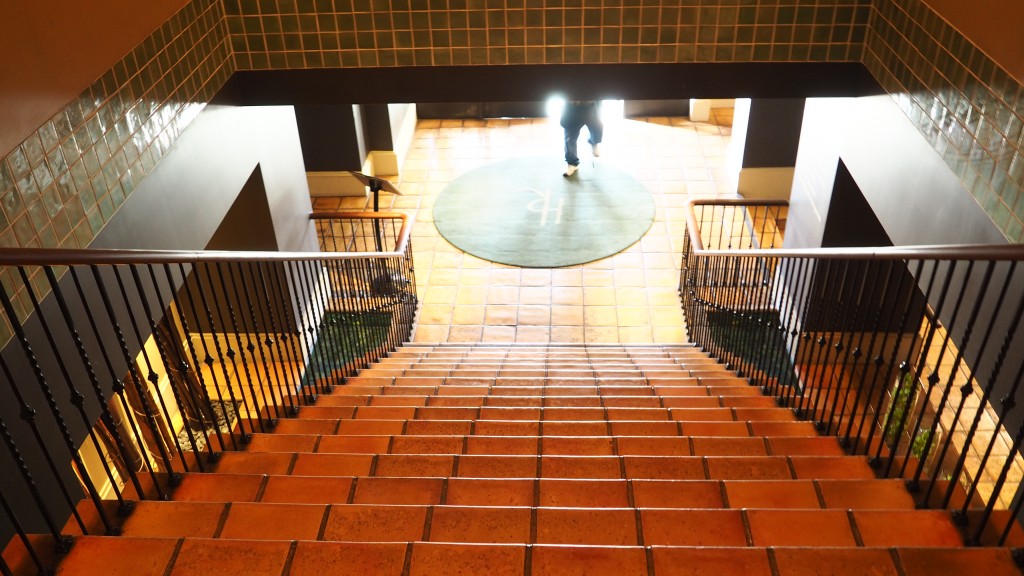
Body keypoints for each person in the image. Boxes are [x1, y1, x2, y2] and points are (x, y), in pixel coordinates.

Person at [560, 100, 603, 177]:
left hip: (589, 104)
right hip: (571, 107)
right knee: (569, 138)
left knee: (596, 128)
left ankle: (593, 142)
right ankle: (572, 163)